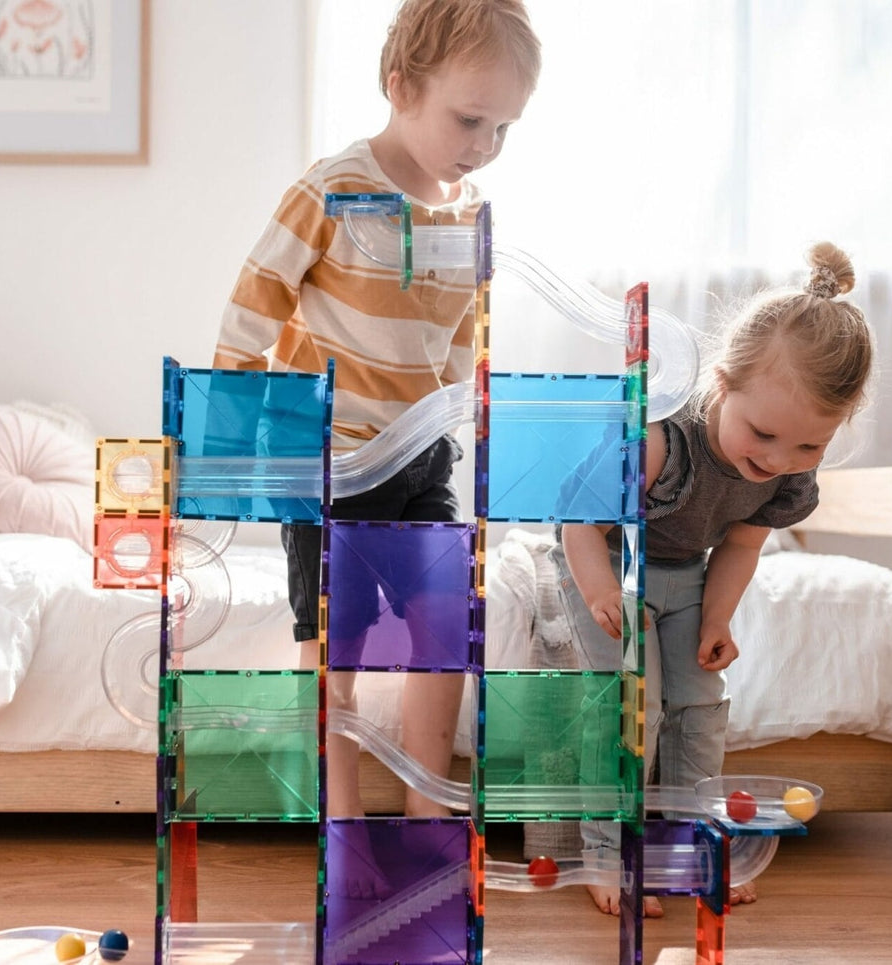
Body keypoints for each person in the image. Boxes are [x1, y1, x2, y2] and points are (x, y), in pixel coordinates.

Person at [212, 0, 541, 827]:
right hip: (329, 461)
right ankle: (343, 821)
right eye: (469, 120)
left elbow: (464, 327)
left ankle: (428, 814)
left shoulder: (466, 213)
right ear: (400, 87)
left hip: (421, 457)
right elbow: (255, 299)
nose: (484, 146)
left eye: (503, 129)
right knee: (334, 642)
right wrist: (229, 421)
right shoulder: (332, 189)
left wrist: (463, 402)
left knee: (445, 625)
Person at [554, 242, 876, 918]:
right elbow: (576, 521)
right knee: (631, 707)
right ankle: (604, 851)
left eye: (807, 446)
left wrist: (715, 620)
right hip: (609, 564)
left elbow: (740, 544)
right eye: (762, 432)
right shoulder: (659, 442)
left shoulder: (787, 475)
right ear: (721, 383)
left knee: (698, 713)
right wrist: (597, 593)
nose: (776, 459)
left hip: (685, 573)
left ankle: (694, 848)